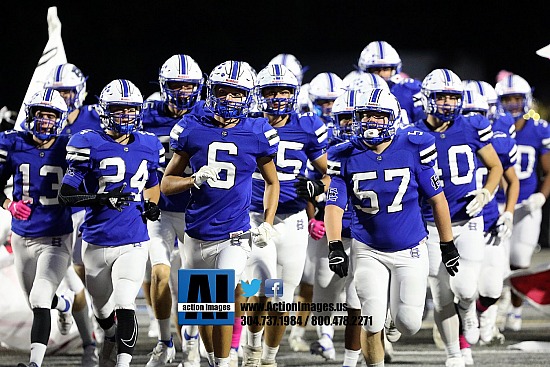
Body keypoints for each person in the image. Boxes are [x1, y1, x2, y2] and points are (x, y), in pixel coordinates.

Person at [324, 87, 457, 366]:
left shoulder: (413, 145)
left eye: (378, 115)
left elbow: (437, 200)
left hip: (410, 247)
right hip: (367, 248)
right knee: (370, 319)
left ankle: (393, 319)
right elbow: (334, 205)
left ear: (393, 118)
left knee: (408, 324)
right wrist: (334, 244)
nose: (371, 122)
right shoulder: (344, 154)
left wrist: (447, 244)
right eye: (365, 115)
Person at [160, 60, 280, 367]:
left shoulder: (257, 132)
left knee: (223, 298)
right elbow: (166, 184)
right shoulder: (192, 128)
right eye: (223, 91)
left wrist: (266, 222)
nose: (229, 99)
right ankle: (215, 360)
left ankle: (226, 363)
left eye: (236, 93)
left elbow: (272, 182)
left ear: (248, 96)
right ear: (212, 92)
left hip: (235, 234)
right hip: (196, 235)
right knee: (204, 315)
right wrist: (193, 179)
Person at [58, 79, 163, 367]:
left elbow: (153, 182)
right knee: (103, 312)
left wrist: (152, 204)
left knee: (125, 302)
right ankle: (110, 336)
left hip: (133, 239)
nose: (125, 116)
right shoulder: (88, 141)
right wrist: (101, 199)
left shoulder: (149, 144)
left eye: (130, 110)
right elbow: (66, 195)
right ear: (105, 111)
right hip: (95, 240)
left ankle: (124, 363)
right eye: (118, 109)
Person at [241, 63, 329, 367]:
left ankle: (269, 358)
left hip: (293, 220)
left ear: (293, 94)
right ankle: (252, 348)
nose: (277, 97)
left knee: (283, 299)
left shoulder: (307, 126)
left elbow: (331, 175)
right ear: (259, 94)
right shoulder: (246, 124)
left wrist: (317, 188)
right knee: (262, 288)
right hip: (254, 217)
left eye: (283, 91)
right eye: (271, 91)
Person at [414, 69, 503, 367]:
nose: (449, 103)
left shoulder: (473, 125)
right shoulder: (413, 134)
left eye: (453, 96)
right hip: (429, 224)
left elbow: (495, 167)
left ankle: (467, 310)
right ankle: (454, 352)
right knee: (440, 296)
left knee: (465, 290)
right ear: (428, 98)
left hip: (467, 219)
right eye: (443, 96)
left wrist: (486, 194)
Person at [0, 88, 74, 367]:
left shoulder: (70, 147)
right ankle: (64, 304)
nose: (44, 122)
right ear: (29, 117)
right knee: (35, 298)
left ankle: (35, 363)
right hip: (21, 235)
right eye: (40, 116)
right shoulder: (13, 144)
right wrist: (8, 203)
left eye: (51, 116)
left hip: (56, 235)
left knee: (40, 299)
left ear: (60, 118)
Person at [141, 53, 205, 367]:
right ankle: (164, 341)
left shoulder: (208, 116)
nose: (182, 91)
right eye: (177, 85)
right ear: (165, 86)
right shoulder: (144, 115)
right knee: (160, 273)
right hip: (161, 210)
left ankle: (194, 342)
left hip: (200, 210)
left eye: (188, 85)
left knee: (197, 284)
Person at [44, 62, 102, 366]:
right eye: (57, 91)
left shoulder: (96, 117)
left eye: (67, 91)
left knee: (87, 268)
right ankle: (69, 306)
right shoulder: (44, 117)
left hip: (86, 205)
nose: (63, 97)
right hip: (51, 209)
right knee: (64, 274)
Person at [494, 74, 550, 331]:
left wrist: (541, 195)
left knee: (519, 260)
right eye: (507, 98)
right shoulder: (490, 127)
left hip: (527, 205)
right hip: (496, 205)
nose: (513, 104)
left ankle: (515, 309)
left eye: (517, 98)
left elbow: (549, 171)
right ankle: (496, 307)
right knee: (495, 262)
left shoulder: (540, 130)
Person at [358, 40, 424, 126]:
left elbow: (423, 124)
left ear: (394, 69)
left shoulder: (411, 89)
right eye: (375, 70)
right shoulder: (357, 89)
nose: (381, 74)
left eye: (386, 69)